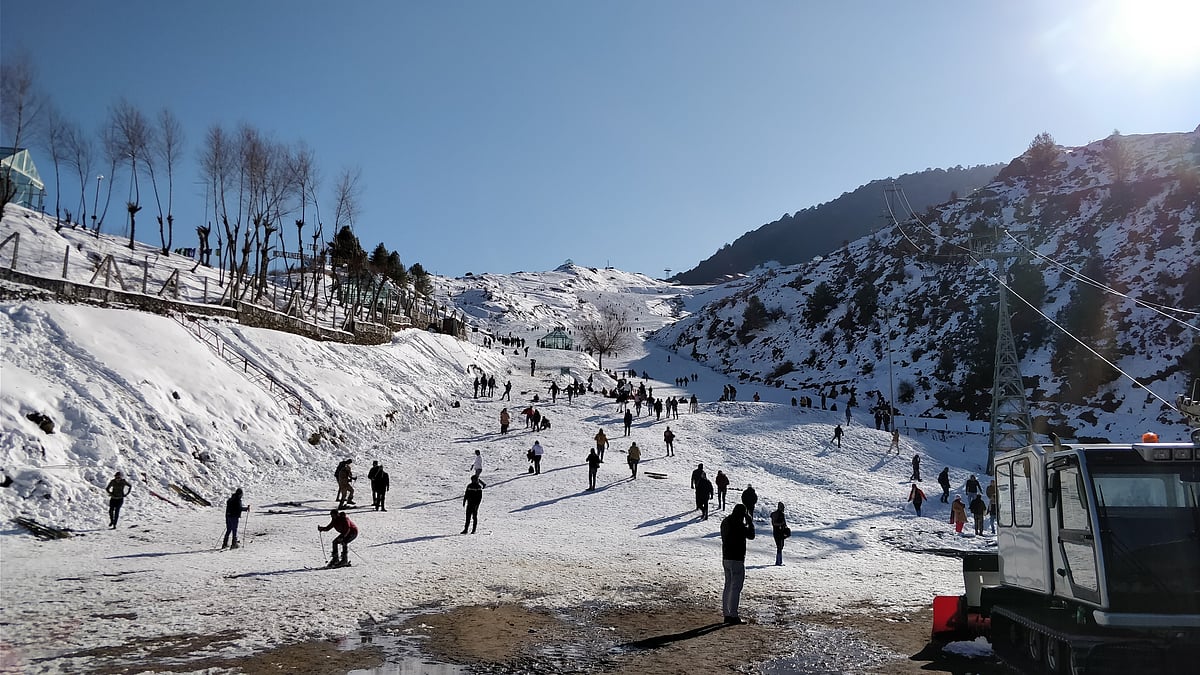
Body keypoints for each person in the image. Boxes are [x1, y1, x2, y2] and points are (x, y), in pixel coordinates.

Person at [720, 503, 755, 625]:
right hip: (737, 558)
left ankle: (726, 614)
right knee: (736, 588)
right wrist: (750, 522)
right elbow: (751, 535)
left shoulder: (726, 521)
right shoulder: (739, 525)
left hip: (726, 557)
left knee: (728, 586)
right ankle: (733, 614)